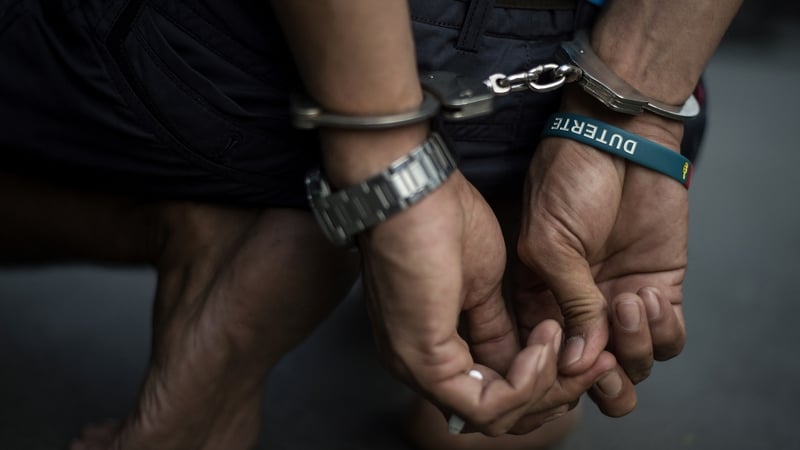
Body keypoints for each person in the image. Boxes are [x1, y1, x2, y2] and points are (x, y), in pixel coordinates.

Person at [0, 0, 741, 449]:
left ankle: (258, 222)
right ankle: (489, 252)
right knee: (509, 396)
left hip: (235, 79)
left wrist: (386, 161)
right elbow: (642, 72)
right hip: (591, 84)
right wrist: (630, 116)